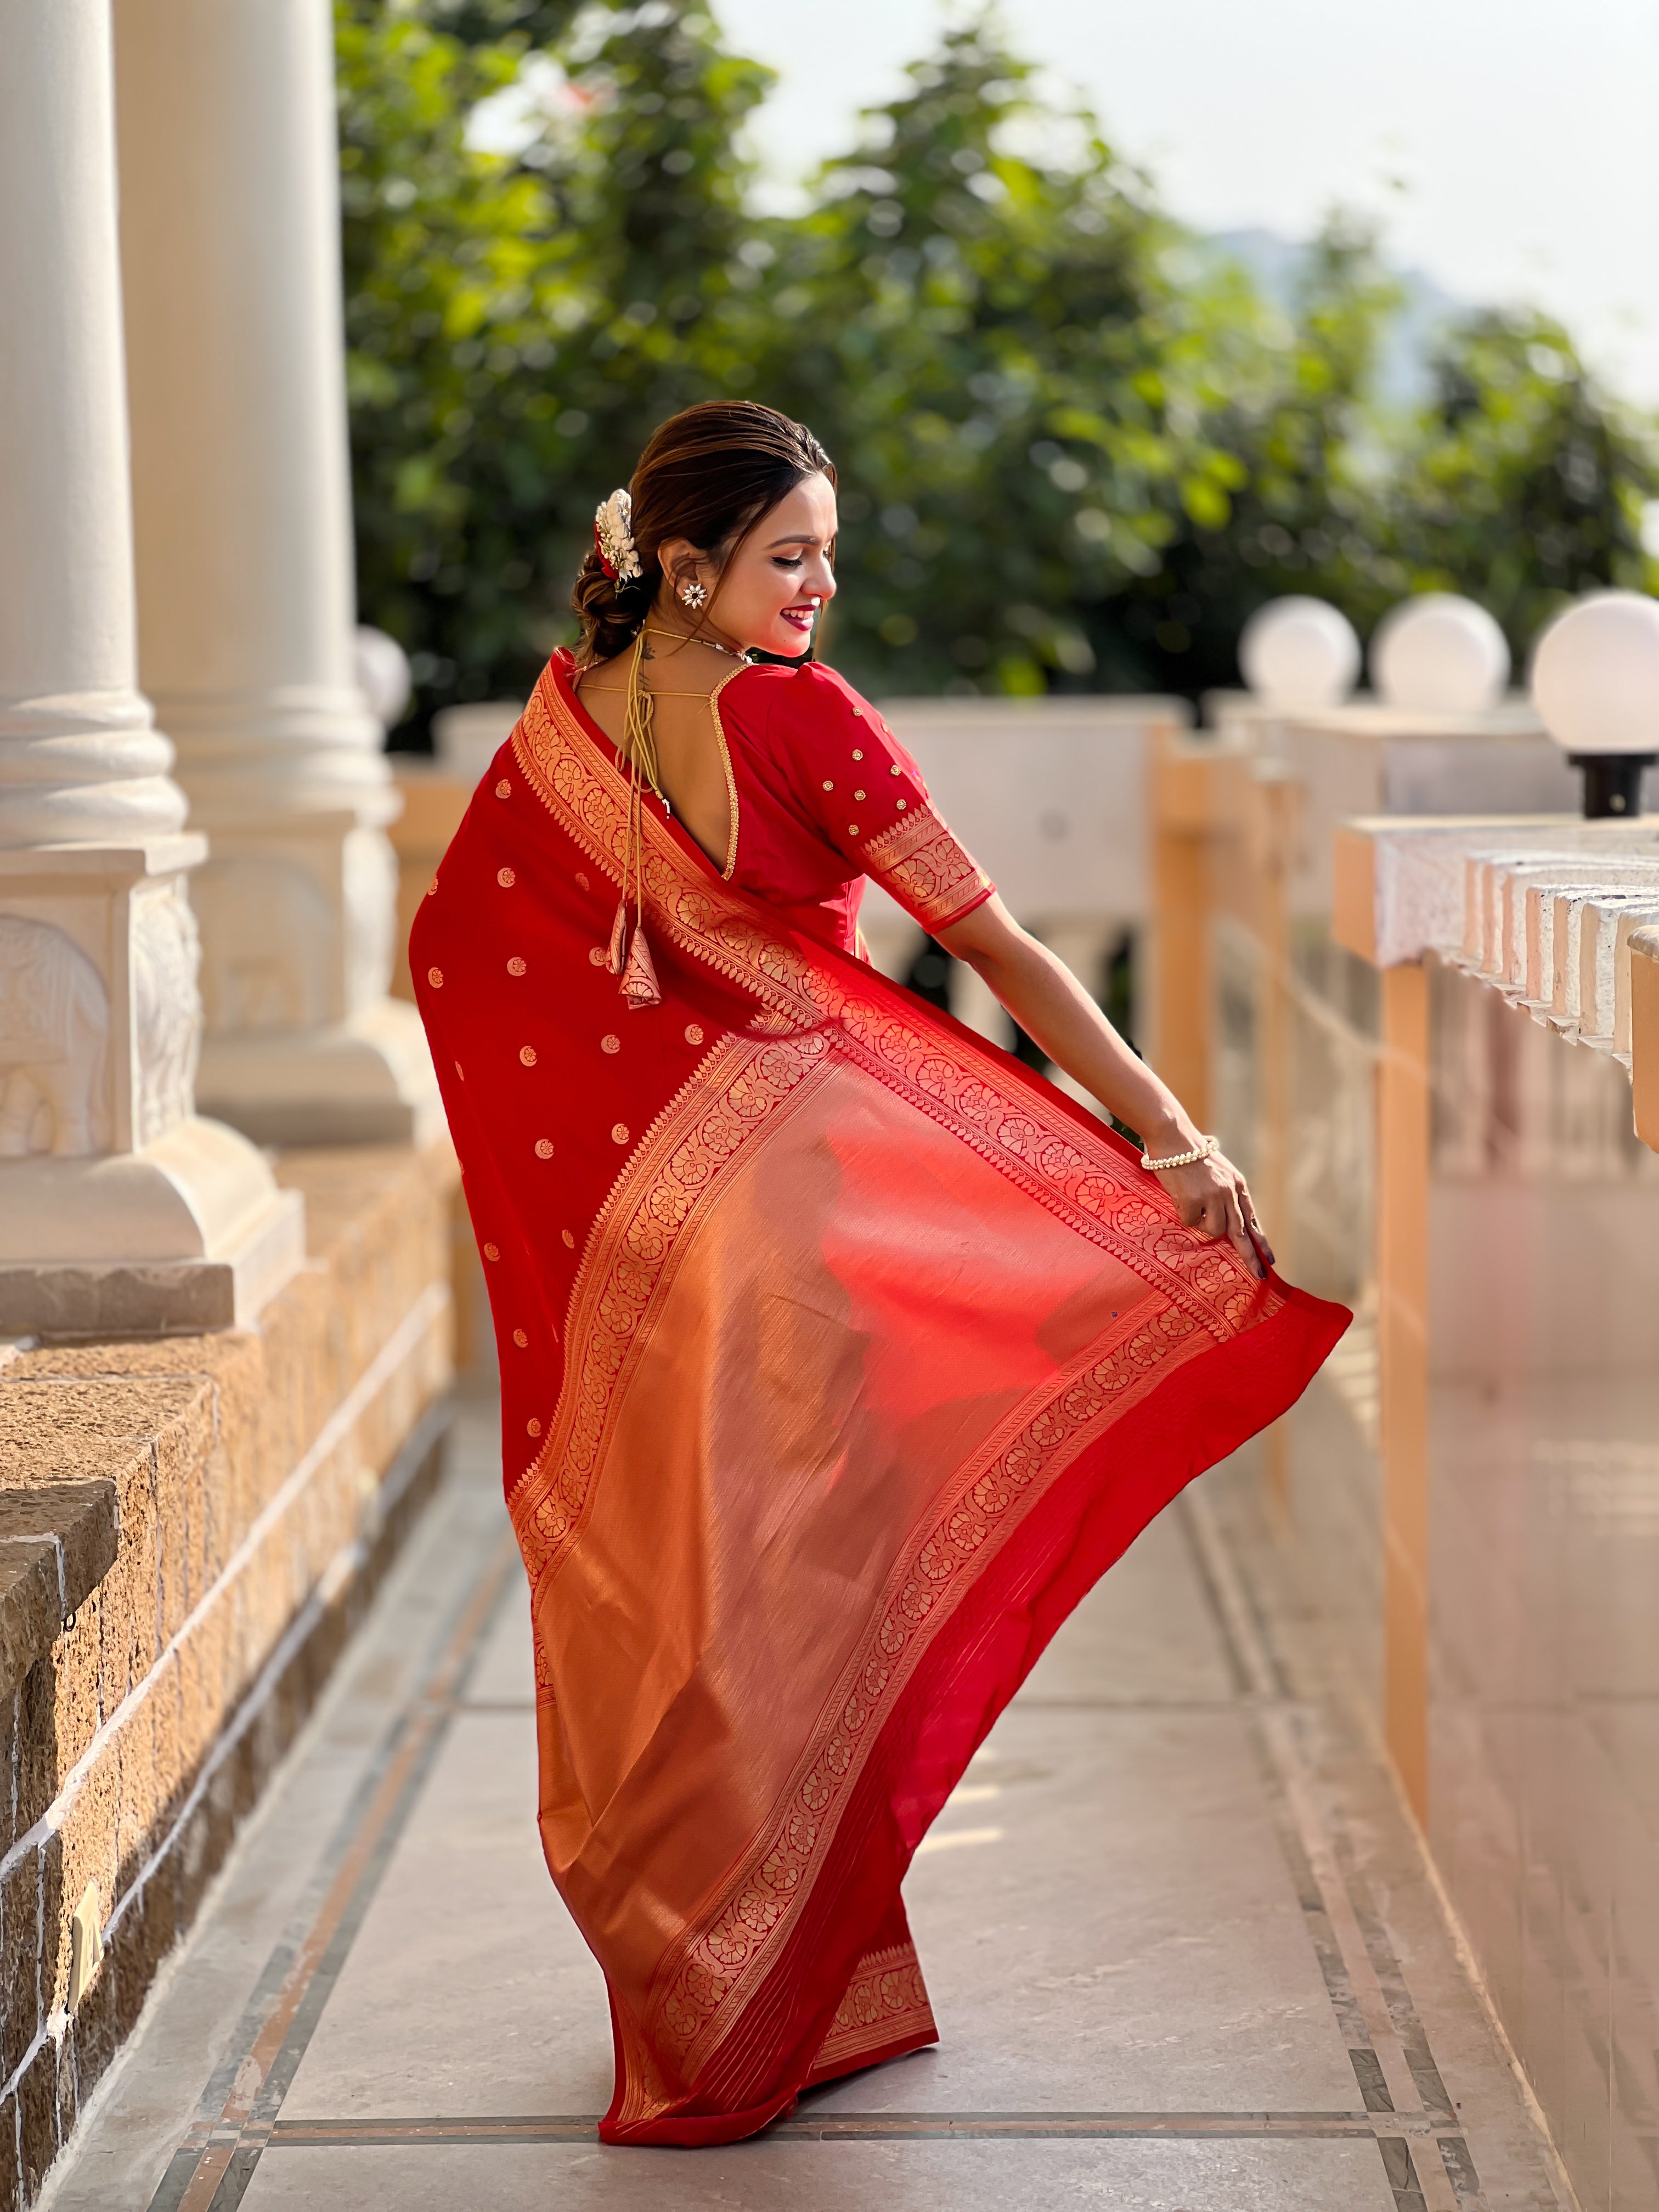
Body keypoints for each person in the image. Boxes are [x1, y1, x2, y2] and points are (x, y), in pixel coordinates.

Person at [411, 399, 1346, 2147]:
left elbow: (454, 947)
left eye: (829, 554)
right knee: (806, 1599)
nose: (821, 586)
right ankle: (755, 1993)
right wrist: (1166, 1135)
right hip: (796, 1233)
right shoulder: (795, 716)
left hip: (652, 1237)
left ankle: (728, 1972)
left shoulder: (577, 708)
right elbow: (994, 945)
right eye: (789, 557)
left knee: (693, 1591)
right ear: (684, 566)